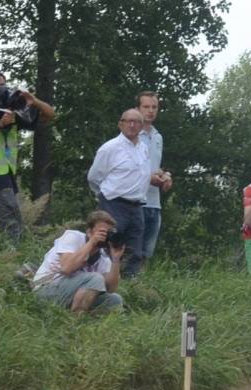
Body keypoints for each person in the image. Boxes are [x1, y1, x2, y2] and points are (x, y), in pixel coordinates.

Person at [0, 69, 55, 243]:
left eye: (2, 86)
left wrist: (33, 100)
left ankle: (8, 255)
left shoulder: (11, 110)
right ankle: (11, 257)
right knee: (10, 228)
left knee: (14, 225)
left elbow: (50, 115)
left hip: (8, 175)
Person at [87, 108, 168, 277]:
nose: (132, 125)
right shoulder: (110, 148)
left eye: (136, 122)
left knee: (134, 250)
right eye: (128, 121)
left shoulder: (143, 148)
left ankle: (130, 283)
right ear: (120, 124)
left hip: (137, 205)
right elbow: (94, 177)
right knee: (108, 245)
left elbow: (143, 175)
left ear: (141, 126)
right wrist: (105, 196)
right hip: (114, 203)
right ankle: (101, 281)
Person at [32, 211, 125, 314]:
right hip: (46, 289)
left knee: (115, 300)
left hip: (71, 293)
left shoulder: (103, 256)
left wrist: (116, 259)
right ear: (89, 232)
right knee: (96, 278)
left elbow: (111, 288)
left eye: (109, 233)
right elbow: (66, 268)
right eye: (102, 232)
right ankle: (76, 318)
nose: (105, 236)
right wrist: (92, 242)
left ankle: (76, 313)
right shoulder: (73, 237)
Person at [137, 92, 173, 266]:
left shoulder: (158, 136)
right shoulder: (132, 135)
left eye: (154, 107)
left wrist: (165, 176)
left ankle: (139, 282)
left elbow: (155, 166)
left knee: (146, 254)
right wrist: (147, 177)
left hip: (154, 201)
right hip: (135, 201)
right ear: (137, 108)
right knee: (131, 252)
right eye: (146, 107)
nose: (150, 111)